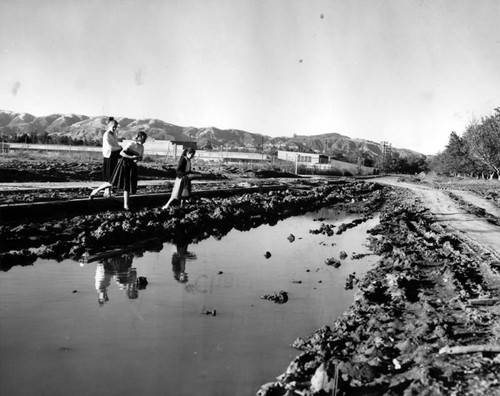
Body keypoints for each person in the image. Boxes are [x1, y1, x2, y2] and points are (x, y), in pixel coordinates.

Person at [90, 131, 148, 210]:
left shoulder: (142, 147)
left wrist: (137, 159)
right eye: (143, 138)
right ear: (139, 138)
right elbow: (121, 153)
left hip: (132, 166)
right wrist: (131, 157)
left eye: (145, 139)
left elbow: (140, 157)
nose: (144, 140)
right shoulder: (131, 144)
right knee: (113, 182)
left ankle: (126, 205)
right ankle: (96, 190)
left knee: (127, 186)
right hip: (124, 164)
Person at [99, 117, 121, 198]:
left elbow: (116, 145)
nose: (115, 128)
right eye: (113, 126)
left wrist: (119, 147)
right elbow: (110, 147)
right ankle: (106, 191)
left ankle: (109, 191)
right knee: (108, 175)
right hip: (109, 156)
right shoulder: (107, 134)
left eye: (116, 126)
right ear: (109, 126)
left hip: (114, 155)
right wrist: (120, 148)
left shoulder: (114, 134)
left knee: (113, 174)